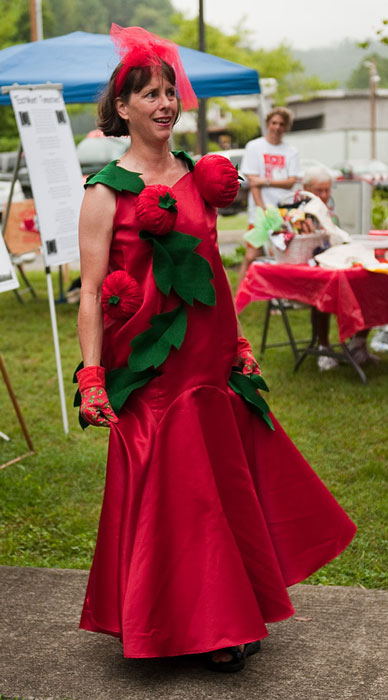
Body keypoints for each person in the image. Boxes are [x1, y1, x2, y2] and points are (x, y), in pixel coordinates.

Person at [75, 24, 356, 673]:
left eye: (170, 91)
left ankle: (222, 618)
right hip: (146, 367)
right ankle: (176, 618)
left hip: (205, 360)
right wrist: (92, 376)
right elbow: (91, 292)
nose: (165, 103)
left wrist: (233, 343)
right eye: (149, 93)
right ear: (122, 108)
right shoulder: (106, 191)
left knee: (214, 489)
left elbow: (207, 268)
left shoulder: (202, 177)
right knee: (173, 491)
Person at [303, 166, 379, 369]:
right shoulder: (300, 213)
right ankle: (324, 347)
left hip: (339, 264)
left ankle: (358, 344)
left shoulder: (329, 212)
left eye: (327, 190)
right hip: (315, 270)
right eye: (319, 191)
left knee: (371, 285)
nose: (324, 195)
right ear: (306, 188)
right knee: (322, 296)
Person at [238, 107, 300, 285]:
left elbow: (291, 181)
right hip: (260, 213)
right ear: (267, 124)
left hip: (284, 214)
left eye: (281, 124)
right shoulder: (255, 147)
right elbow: (252, 182)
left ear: (286, 127)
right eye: (274, 123)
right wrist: (262, 210)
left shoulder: (291, 151)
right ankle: (237, 299)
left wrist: (264, 181)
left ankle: (277, 297)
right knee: (251, 256)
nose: (277, 127)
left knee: (280, 258)